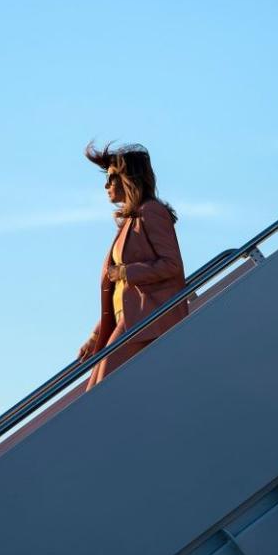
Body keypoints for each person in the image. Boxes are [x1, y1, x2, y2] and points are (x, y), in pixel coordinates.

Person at [77, 142, 188, 390]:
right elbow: (118, 292)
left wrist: (127, 271)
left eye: (112, 178)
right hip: (128, 320)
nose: (106, 186)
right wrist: (96, 334)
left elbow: (172, 265)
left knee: (102, 388)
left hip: (146, 321)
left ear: (129, 178)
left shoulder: (152, 212)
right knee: (94, 389)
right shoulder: (131, 220)